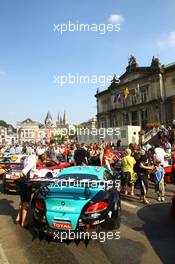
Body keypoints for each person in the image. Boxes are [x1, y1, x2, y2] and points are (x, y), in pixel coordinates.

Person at [16, 151, 37, 227]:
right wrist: (25, 180)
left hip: (23, 183)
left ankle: (18, 217)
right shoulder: (33, 160)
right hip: (26, 183)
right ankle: (23, 222)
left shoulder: (27, 158)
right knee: (26, 203)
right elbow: (23, 172)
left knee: (22, 201)